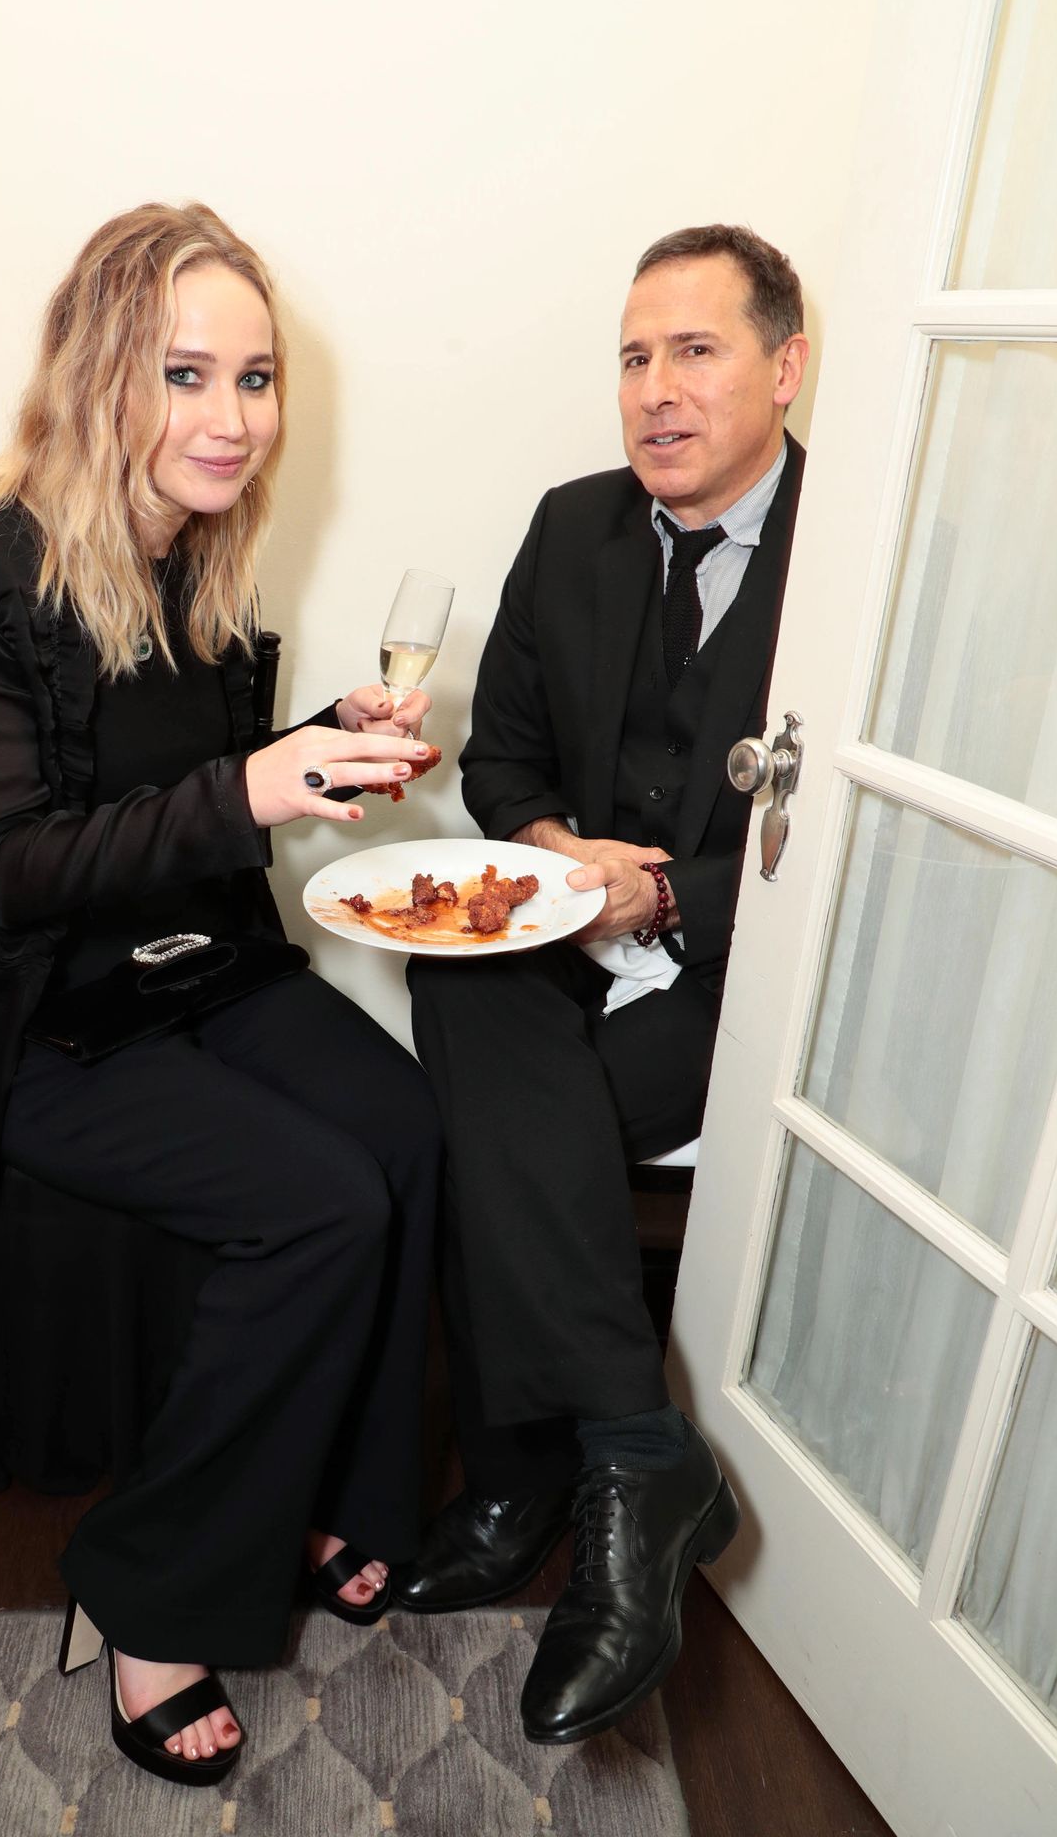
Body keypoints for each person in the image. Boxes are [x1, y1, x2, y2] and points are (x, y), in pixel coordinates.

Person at [0, 202, 442, 1786]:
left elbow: (198, 791)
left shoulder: (200, 543)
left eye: (257, 379)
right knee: (321, 1204)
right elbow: (4, 872)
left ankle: (342, 1489)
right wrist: (255, 795)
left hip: (200, 967)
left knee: (408, 1128)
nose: (231, 419)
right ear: (100, 375)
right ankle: (151, 1592)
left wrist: (320, 740)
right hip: (40, 1022)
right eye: (187, 375)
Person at [399, 225, 809, 1743]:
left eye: (693, 352)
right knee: (459, 988)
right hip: (574, 943)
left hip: (732, 978)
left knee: (484, 1115)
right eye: (633, 357)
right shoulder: (569, 524)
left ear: (785, 363)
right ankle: (635, 1449)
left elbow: (856, 827)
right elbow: (500, 755)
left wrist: (670, 893)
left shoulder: (864, 552)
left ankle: (519, 1478)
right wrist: (555, 850)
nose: (654, 391)